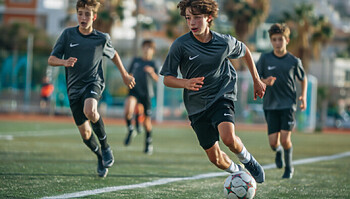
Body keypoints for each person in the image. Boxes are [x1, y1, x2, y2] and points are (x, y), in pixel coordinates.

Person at [160, 0, 266, 183]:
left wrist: (257, 80)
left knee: (228, 138)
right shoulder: (180, 45)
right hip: (196, 106)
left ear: (209, 18)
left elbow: (245, 51)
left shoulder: (223, 42)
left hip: (221, 95)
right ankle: (238, 172)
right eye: (188, 18)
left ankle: (248, 160)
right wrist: (185, 83)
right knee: (215, 158)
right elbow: (167, 79)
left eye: (197, 18)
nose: (192, 23)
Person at [48, 0, 135, 178]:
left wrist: (125, 74)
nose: (83, 17)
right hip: (73, 90)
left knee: (91, 110)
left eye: (87, 14)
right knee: (86, 133)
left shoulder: (101, 38)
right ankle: (99, 157)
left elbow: (114, 54)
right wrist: (64, 62)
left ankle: (106, 147)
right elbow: (51, 59)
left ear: (94, 17)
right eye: (80, 13)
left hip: (93, 83)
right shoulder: (67, 35)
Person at [256, 23, 308, 179]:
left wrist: (303, 96)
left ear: (287, 40)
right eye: (274, 39)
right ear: (271, 41)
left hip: (288, 105)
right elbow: (257, 79)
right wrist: (265, 81)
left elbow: (303, 78)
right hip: (270, 105)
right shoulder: (264, 59)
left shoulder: (294, 61)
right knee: (273, 143)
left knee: (285, 139)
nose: (277, 42)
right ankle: (277, 152)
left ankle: (288, 168)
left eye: (280, 39)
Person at [124, 39, 159, 155]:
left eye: (149, 48)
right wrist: (129, 77)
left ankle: (148, 142)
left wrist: (151, 72)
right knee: (128, 109)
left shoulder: (153, 64)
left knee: (146, 122)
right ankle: (131, 129)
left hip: (146, 94)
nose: (146, 49)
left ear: (152, 51)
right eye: (145, 47)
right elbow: (128, 74)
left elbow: (158, 79)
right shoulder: (136, 61)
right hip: (134, 91)